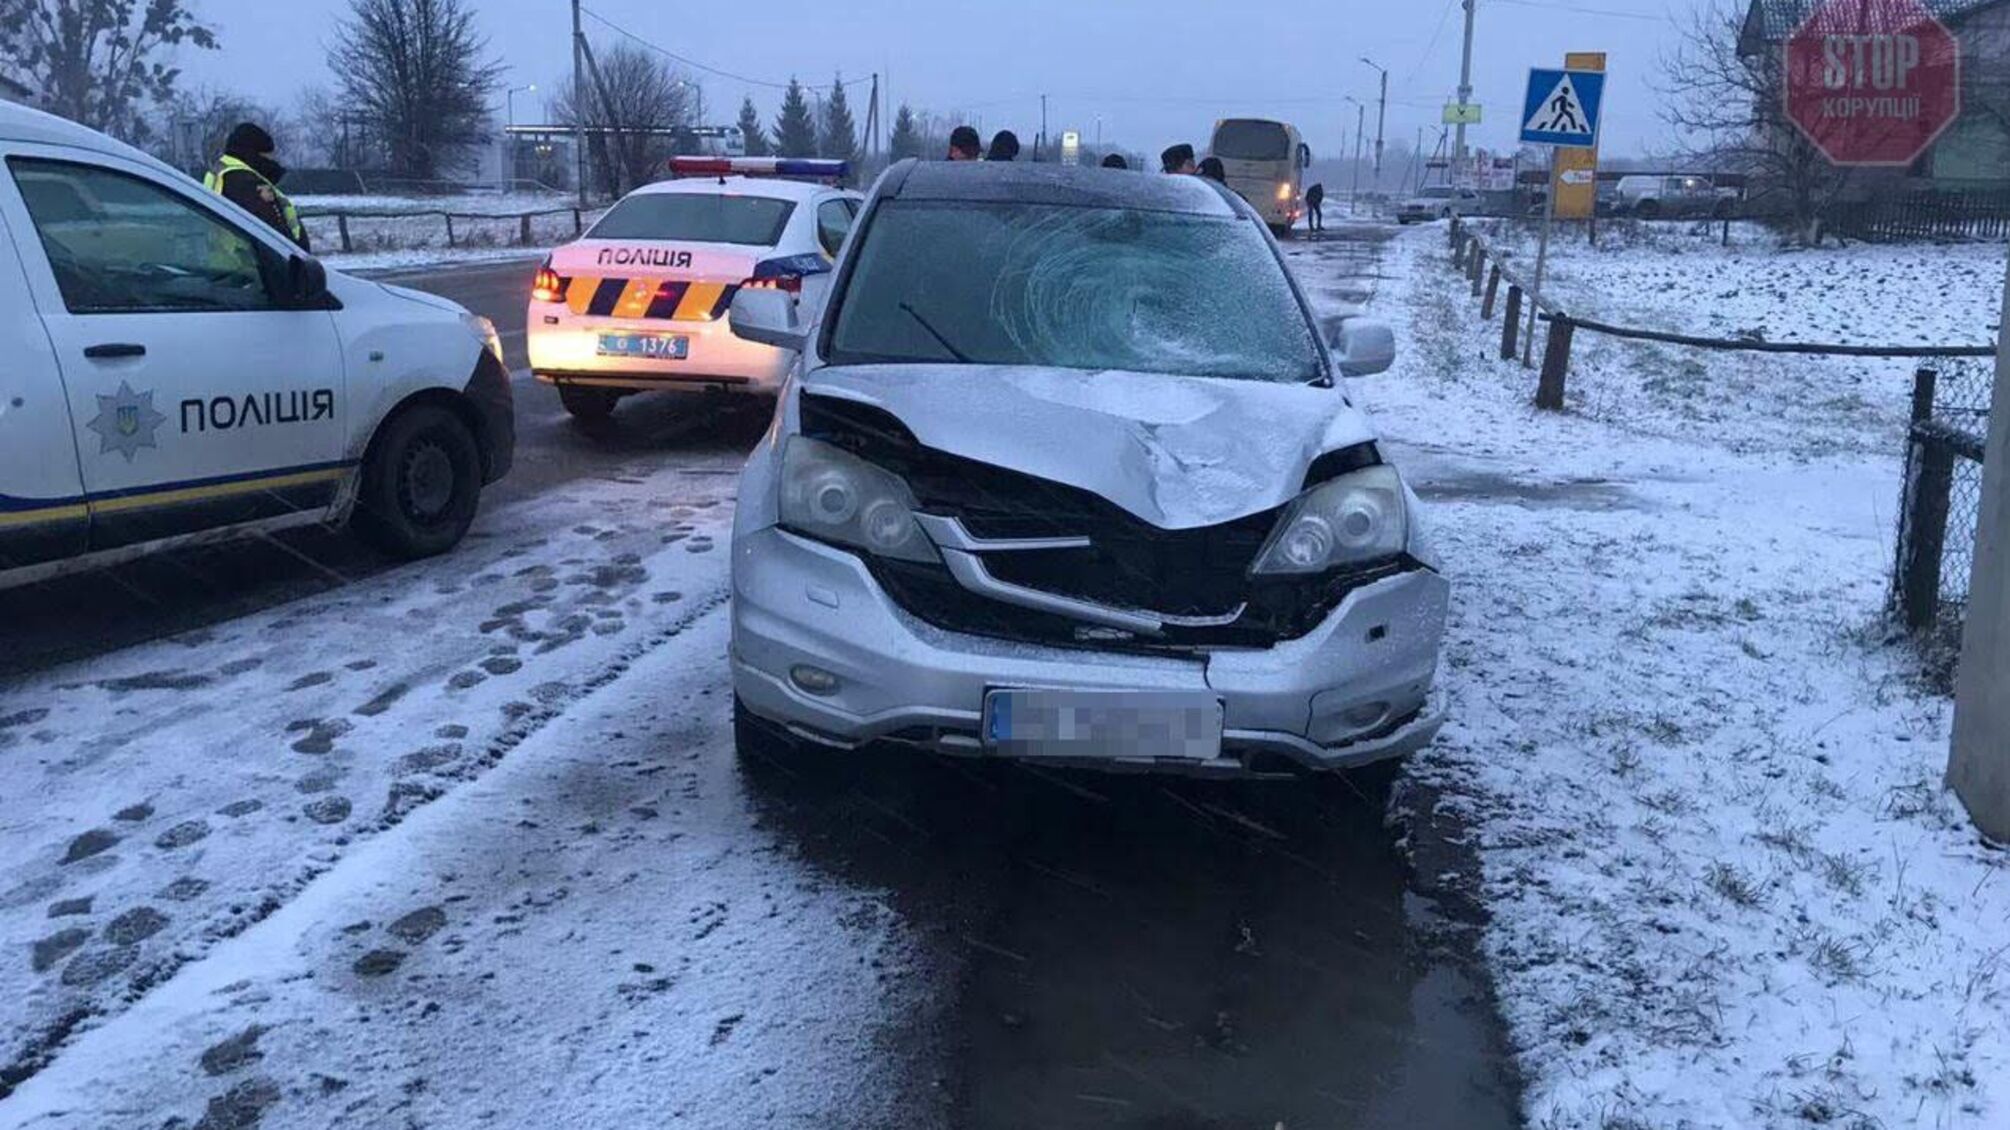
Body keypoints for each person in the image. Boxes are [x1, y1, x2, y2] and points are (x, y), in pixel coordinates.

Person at [203, 122, 309, 251]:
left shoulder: (219, 173)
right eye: (268, 156)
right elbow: (271, 237)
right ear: (254, 155)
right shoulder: (247, 183)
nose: (273, 162)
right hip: (247, 264)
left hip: (226, 261)